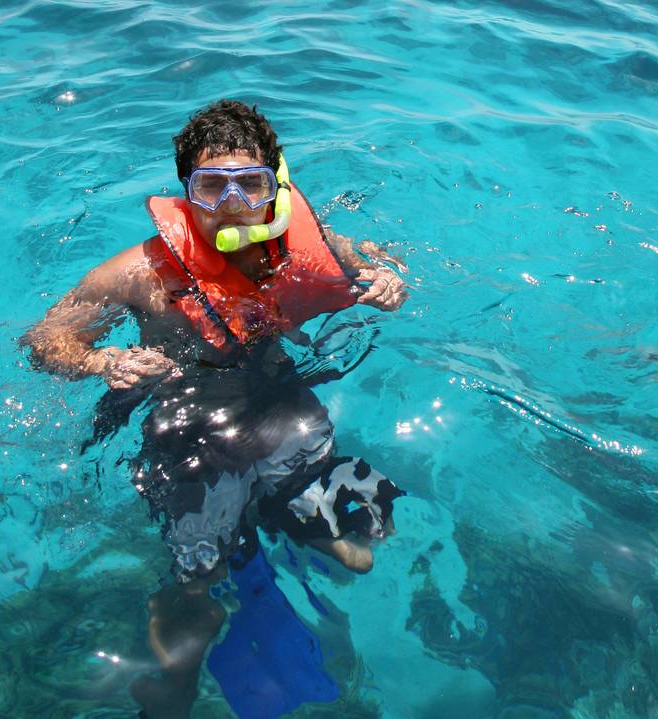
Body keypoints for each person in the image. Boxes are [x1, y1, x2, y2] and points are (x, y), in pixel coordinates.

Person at [23, 99, 407, 717]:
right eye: (211, 187)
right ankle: (171, 664)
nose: (231, 204)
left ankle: (286, 513)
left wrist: (384, 280)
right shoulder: (139, 273)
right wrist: (103, 363)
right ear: (185, 191)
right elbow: (45, 339)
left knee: (352, 528)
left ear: (273, 188)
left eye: (249, 185)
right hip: (190, 429)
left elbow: (372, 261)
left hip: (278, 402)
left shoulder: (297, 243)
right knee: (195, 578)